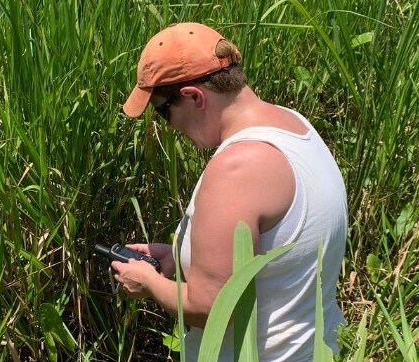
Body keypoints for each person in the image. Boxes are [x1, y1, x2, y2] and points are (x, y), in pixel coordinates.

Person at [111, 22, 347, 361]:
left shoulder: (236, 170)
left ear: (194, 97)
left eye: (164, 110)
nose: (170, 126)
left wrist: (148, 284)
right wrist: (179, 260)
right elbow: (270, 261)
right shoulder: (294, 126)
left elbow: (214, 309)